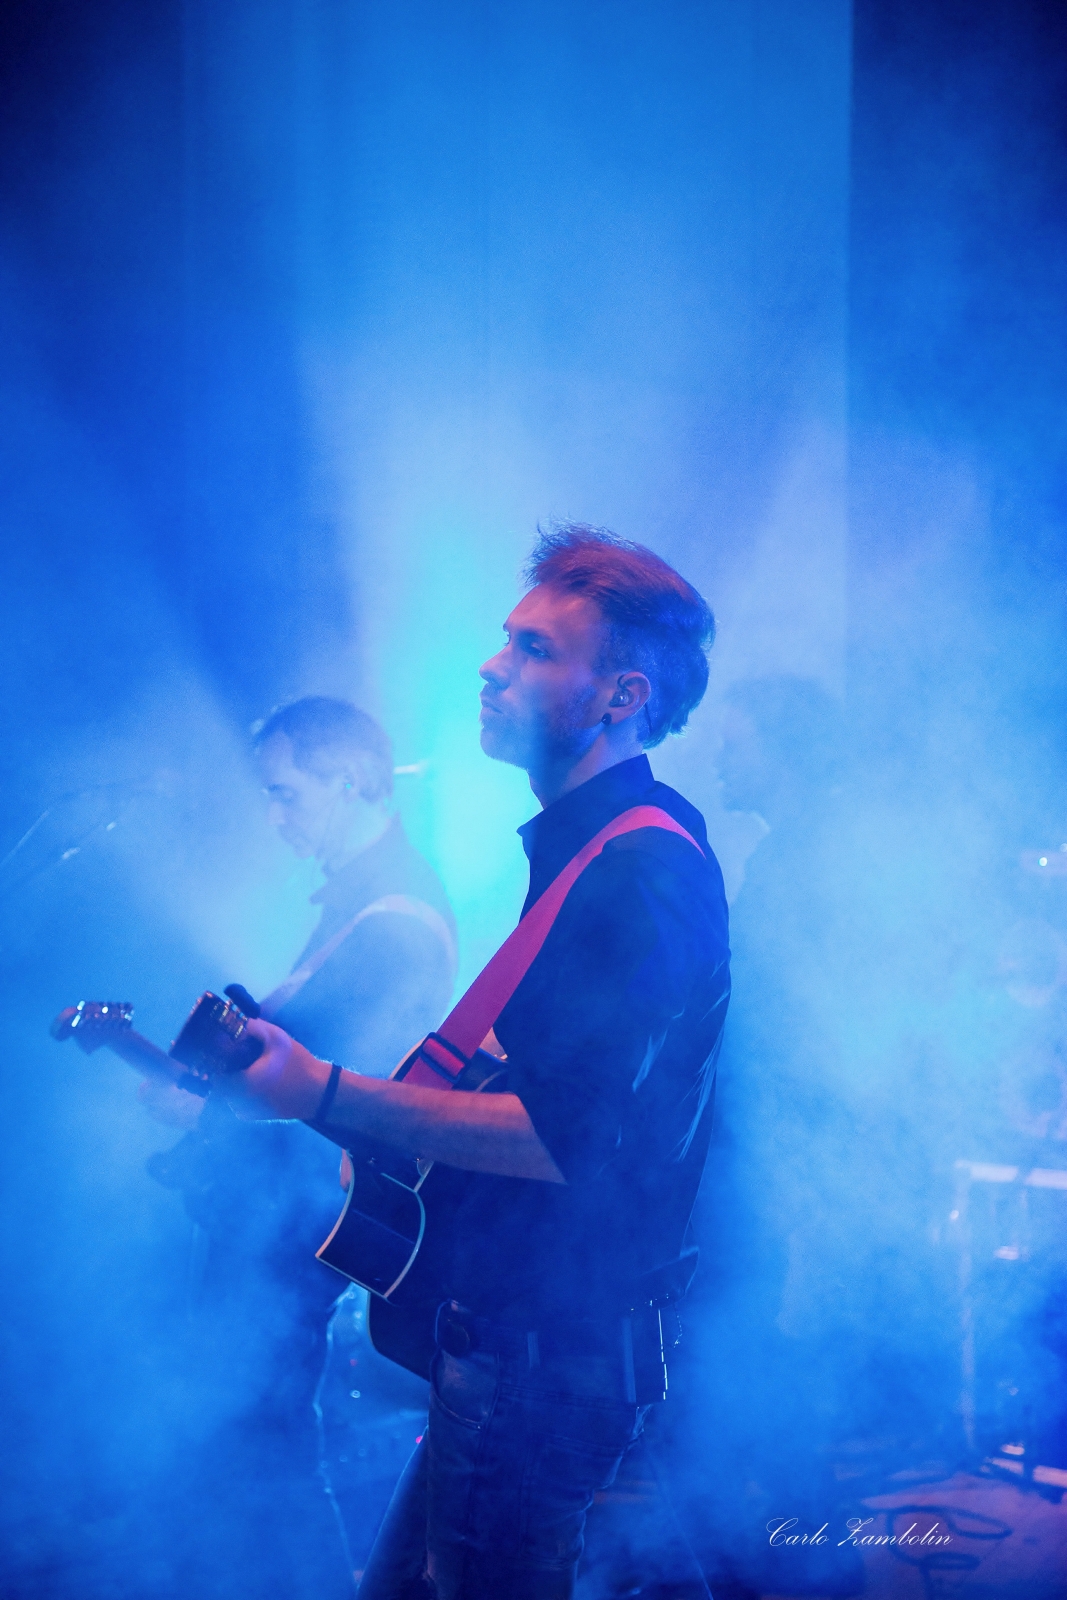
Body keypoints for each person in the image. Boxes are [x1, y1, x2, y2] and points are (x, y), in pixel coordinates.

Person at [226, 525, 730, 1600]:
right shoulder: (591, 849)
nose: (492, 668)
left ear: (621, 696)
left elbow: (559, 1135)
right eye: (505, 641)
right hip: (512, 1347)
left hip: (543, 1359)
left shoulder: (641, 866)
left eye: (535, 650)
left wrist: (319, 1090)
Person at [141, 697, 456, 1600]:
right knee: (252, 1441)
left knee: (260, 1442)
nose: (272, 817)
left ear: (349, 779)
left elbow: (318, 1084)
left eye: (284, 793)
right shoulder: (361, 907)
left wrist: (196, 1099)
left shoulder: (395, 918)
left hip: (299, 1223)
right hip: (285, 1218)